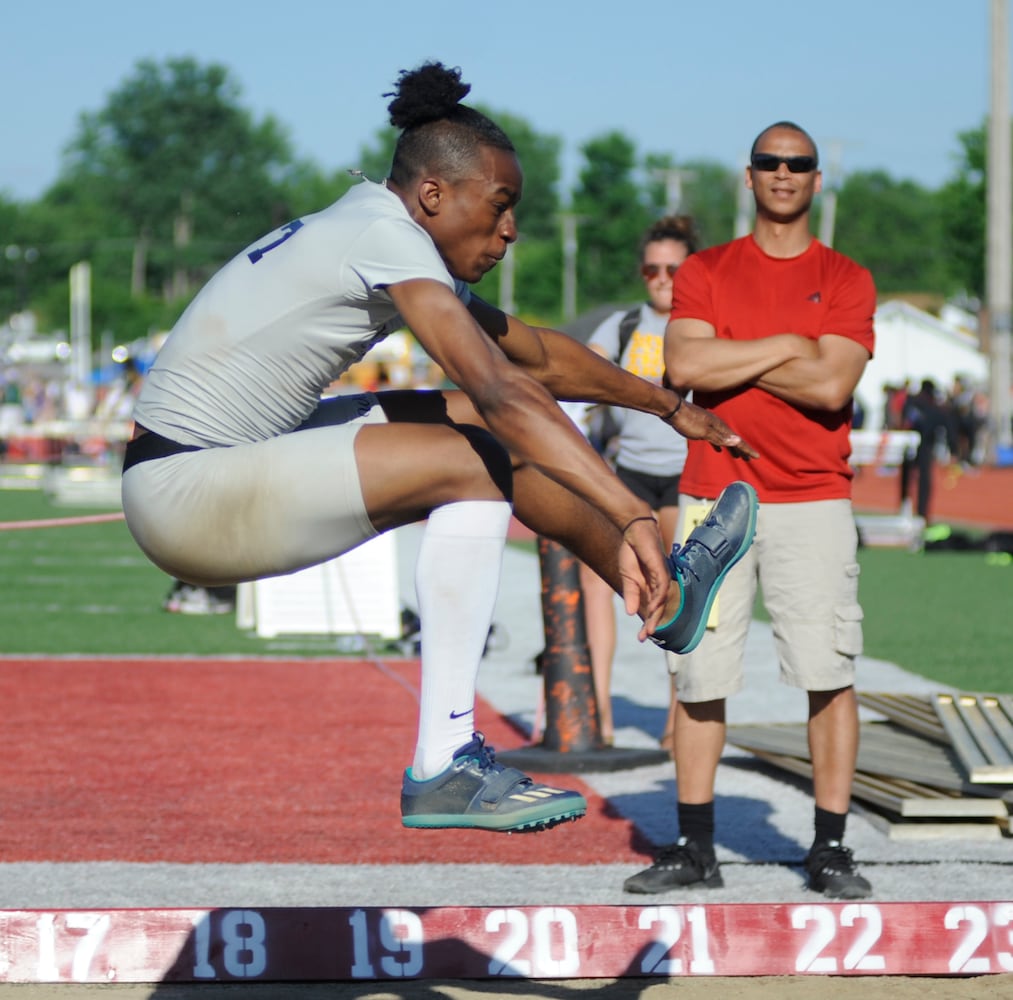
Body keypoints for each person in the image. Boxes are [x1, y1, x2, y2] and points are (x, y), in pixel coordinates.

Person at [121, 61, 759, 836]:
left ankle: (674, 598)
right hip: (185, 489)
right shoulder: (384, 235)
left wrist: (666, 406)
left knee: (470, 421)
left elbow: (539, 357)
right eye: (499, 207)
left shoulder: (381, 229)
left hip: (213, 463)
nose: (510, 230)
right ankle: (444, 762)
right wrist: (629, 510)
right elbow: (500, 390)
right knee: (479, 451)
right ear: (433, 195)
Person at [623, 121, 876, 898]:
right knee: (697, 674)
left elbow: (835, 388)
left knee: (825, 672)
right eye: (769, 161)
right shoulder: (704, 269)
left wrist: (740, 353)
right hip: (713, 494)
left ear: (815, 179)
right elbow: (685, 364)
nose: (782, 173)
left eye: (797, 163)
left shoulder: (846, 277)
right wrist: (792, 344)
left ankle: (828, 847)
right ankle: (695, 847)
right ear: (748, 175)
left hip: (813, 497)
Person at [578, 215, 698, 748]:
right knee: (593, 584)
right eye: (652, 268)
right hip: (628, 472)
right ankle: (599, 714)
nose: (662, 278)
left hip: (682, 474)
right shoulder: (623, 326)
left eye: (673, 268)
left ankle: (678, 719)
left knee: (669, 588)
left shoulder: (701, 326)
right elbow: (586, 373)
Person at [899, 378, 950, 523]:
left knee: (907, 476)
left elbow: (906, 418)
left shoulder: (913, 402)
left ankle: (905, 505)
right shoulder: (934, 406)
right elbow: (941, 424)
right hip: (925, 445)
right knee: (923, 479)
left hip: (910, 442)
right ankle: (922, 512)